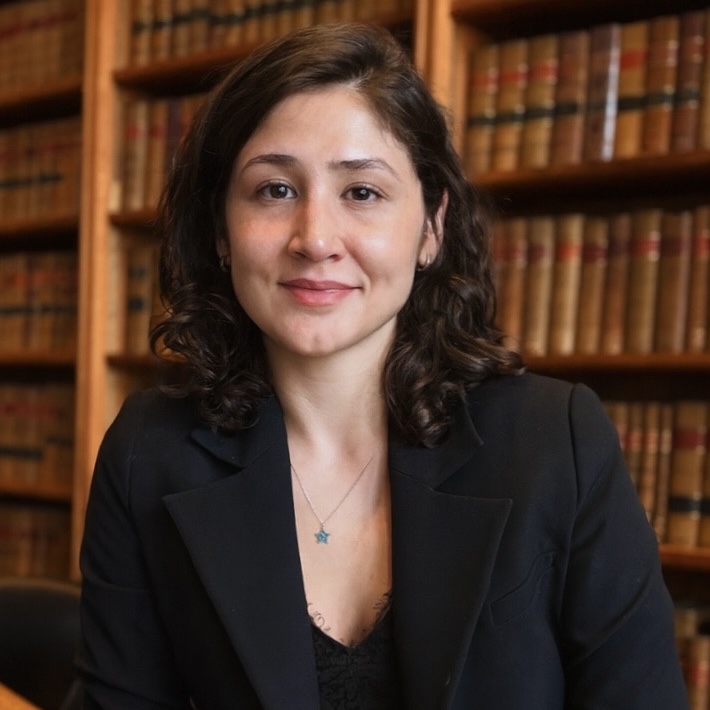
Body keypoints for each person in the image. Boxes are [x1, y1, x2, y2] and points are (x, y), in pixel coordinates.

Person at [77, 22, 689, 710]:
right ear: (221, 229)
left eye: (362, 192)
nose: (315, 239)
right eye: (274, 190)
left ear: (431, 227)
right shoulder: (149, 452)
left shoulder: (557, 442)